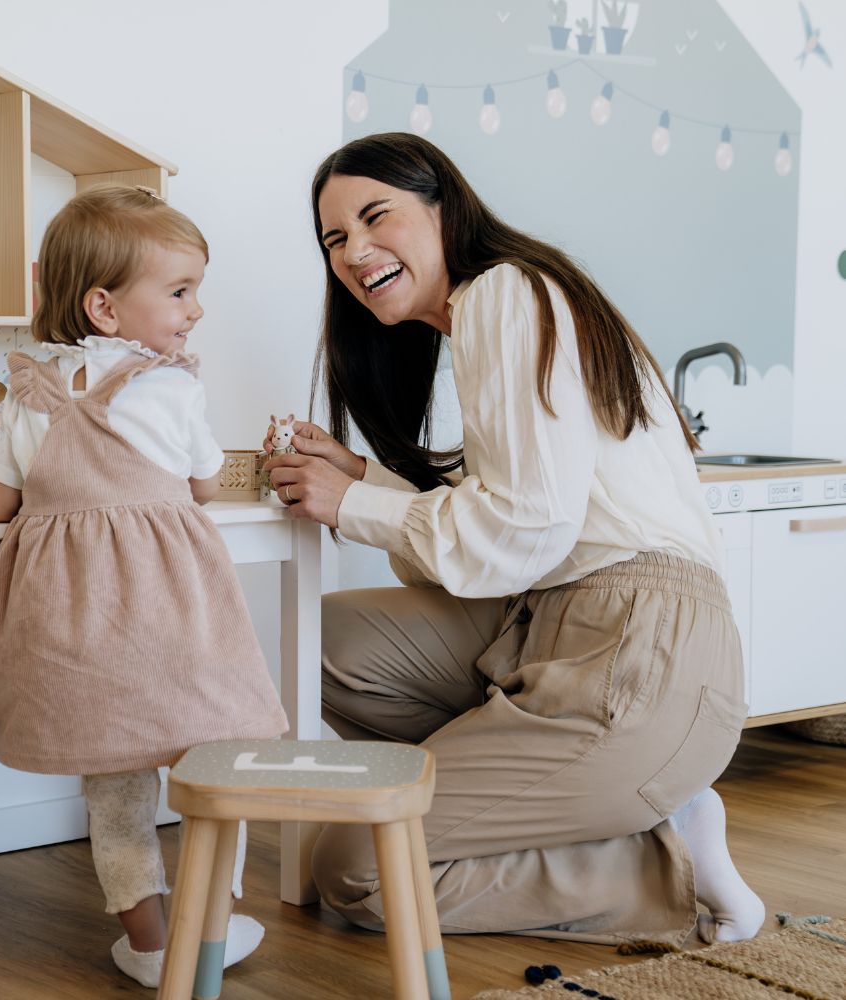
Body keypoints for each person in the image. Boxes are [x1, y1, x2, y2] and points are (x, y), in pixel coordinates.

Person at [263, 133, 764, 948]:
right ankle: (588, 806)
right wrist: (365, 477)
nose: (355, 252)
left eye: (375, 216)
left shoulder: (502, 294)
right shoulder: (493, 312)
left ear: (443, 207)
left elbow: (527, 529)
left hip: (641, 648)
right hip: (550, 620)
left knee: (356, 870)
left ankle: (662, 859)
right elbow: (517, 511)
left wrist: (353, 503)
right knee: (324, 641)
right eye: (334, 239)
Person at [0, 185, 288, 987]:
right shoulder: (175, 388)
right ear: (106, 309)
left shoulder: (29, 397)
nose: (197, 310)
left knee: (113, 785)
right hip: (172, 611)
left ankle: (150, 944)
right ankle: (212, 927)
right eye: (181, 291)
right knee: (219, 760)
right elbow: (207, 486)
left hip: (75, 621)